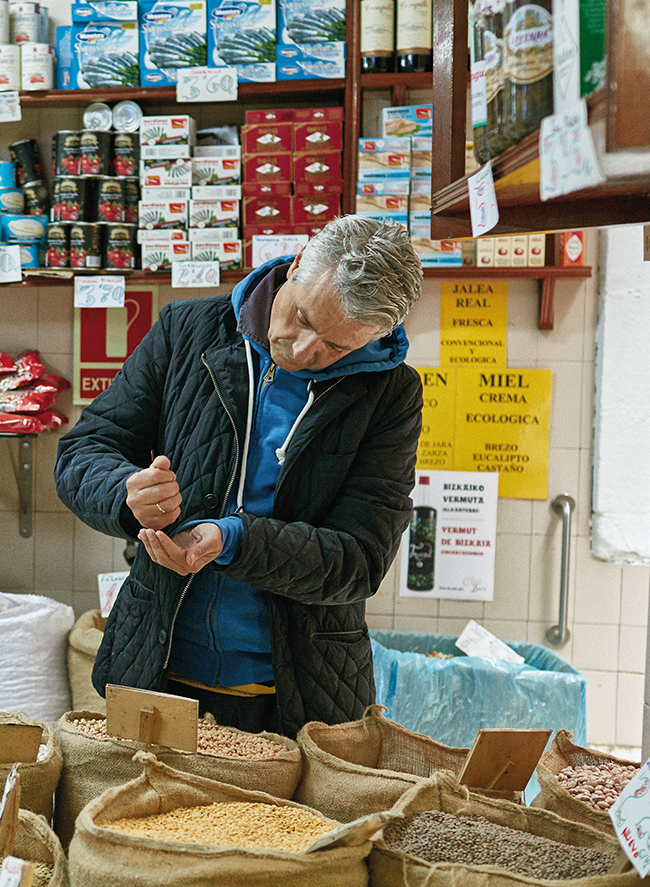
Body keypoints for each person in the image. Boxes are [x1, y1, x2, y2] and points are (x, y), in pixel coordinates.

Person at [54, 214, 424, 738]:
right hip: (154, 670)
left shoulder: (390, 394)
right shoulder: (188, 332)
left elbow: (358, 562)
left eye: (335, 347)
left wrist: (234, 539)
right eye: (301, 317)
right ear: (297, 263)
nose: (300, 351)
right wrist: (125, 493)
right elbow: (84, 451)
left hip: (298, 697)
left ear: (373, 337)